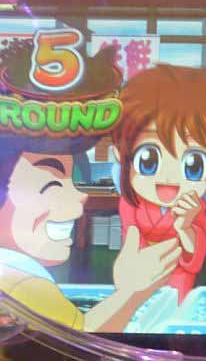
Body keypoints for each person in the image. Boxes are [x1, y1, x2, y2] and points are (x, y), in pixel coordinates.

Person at [0, 40, 182, 332]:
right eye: (50, 186)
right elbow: (80, 344)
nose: (80, 199)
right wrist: (132, 292)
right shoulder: (23, 285)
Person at [112, 64, 206, 302]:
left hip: (179, 276)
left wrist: (185, 227)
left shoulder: (195, 207)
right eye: (149, 160)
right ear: (121, 154)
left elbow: (196, 257)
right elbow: (130, 239)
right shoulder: (130, 202)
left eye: (193, 165)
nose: (169, 177)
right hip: (138, 271)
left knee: (175, 307)